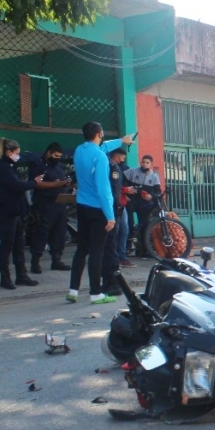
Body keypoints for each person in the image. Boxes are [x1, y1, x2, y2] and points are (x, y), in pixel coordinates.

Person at [67, 123, 134, 305]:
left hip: (82, 206)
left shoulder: (80, 150)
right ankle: (95, 293)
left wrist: (121, 140)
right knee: (97, 252)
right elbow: (104, 189)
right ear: (99, 133)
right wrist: (110, 216)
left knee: (82, 249)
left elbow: (102, 148)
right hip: (98, 209)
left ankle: (73, 290)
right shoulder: (101, 158)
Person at [0, 137, 45, 289]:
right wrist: (34, 182)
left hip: (15, 211)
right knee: (7, 244)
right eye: (16, 153)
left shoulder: (8, 166)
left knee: (19, 244)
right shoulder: (1, 167)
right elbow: (17, 186)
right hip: (7, 212)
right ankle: (5, 277)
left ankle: (21, 275)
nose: (18, 156)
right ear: (8, 152)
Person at [28, 142, 73, 274]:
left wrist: (65, 183)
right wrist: (54, 184)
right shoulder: (38, 165)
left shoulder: (58, 166)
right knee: (41, 233)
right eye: (55, 155)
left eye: (59, 156)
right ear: (48, 153)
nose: (57, 158)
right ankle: (35, 262)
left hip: (60, 204)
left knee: (59, 234)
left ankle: (56, 260)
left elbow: (61, 180)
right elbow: (35, 183)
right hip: (44, 204)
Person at [101, 148, 133, 296]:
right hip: (112, 208)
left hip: (113, 206)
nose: (122, 160)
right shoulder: (112, 167)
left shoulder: (111, 166)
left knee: (122, 232)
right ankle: (111, 282)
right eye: (122, 157)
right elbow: (113, 190)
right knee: (111, 242)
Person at [124, 154, 162, 257]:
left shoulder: (154, 177)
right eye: (143, 162)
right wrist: (124, 194)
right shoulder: (132, 171)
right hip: (131, 201)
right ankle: (126, 248)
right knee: (128, 224)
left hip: (145, 204)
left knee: (145, 226)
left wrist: (151, 196)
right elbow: (121, 183)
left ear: (151, 164)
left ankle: (144, 251)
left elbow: (158, 192)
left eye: (147, 163)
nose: (144, 164)